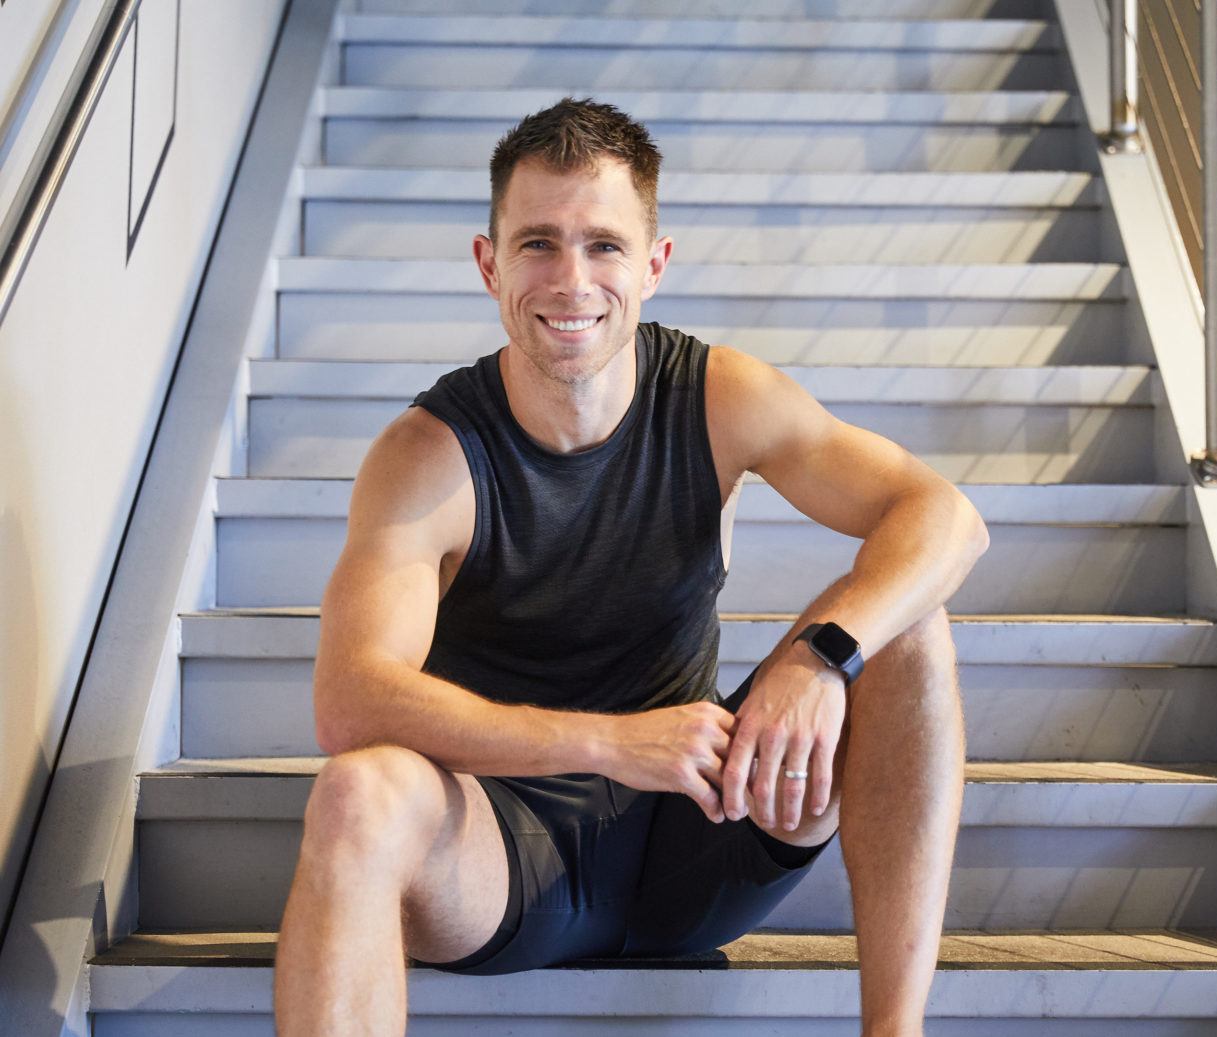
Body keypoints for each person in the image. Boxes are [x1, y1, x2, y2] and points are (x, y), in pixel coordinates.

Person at [273, 97, 989, 1037]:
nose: (572, 279)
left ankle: (894, 1031)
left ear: (653, 265)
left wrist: (821, 658)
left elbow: (947, 516)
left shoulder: (718, 395)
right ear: (489, 265)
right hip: (500, 854)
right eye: (538, 243)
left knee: (904, 626)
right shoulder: (430, 454)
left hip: (703, 831)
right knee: (357, 792)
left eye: (603, 245)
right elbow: (350, 700)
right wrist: (612, 743)